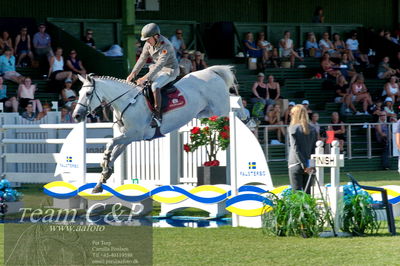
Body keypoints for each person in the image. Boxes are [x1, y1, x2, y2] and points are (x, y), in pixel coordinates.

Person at [126, 23, 179, 128]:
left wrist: (145, 77)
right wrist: (133, 73)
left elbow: (159, 65)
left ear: (156, 36)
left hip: (170, 70)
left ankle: (157, 115)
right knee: (142, 84)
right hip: (157, 69)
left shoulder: (166, 45)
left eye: (148, 39)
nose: (147, 42)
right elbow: (142, 59)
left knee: (155, 86)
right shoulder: (148, 43)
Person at [288, 104, 317, 193]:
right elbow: (313, 149)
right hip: (309, 164)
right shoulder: (313, 128)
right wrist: (310, 165)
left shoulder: (293, 128)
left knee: (297, 193)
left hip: (295, 163)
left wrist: (304, 165)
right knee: (307, 193)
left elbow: (296, 149)